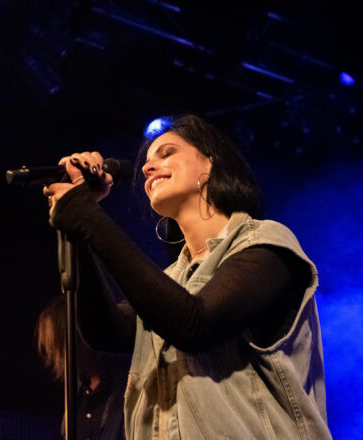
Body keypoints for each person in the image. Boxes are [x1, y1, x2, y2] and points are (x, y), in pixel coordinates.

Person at [43, 114, 332, 439]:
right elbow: (103, 331)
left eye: (166, 153)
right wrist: (80, 227)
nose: (147, 169)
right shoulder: (174, 280)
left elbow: (194, 324)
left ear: (209, 165)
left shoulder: (266, 243)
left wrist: (89, 218)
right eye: (147, 163)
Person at [36, 295, 129, 440]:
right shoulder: (75, 392)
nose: (57, 359)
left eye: (58, 346)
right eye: (51, 350)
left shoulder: (126, 383)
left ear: (80, 338)